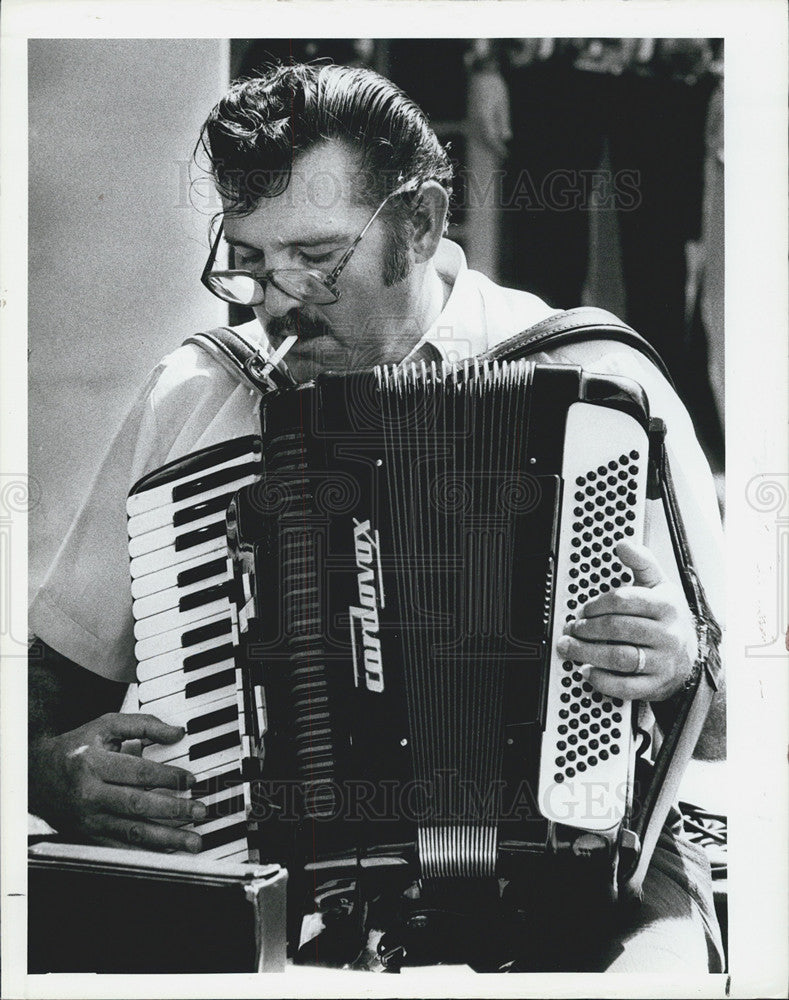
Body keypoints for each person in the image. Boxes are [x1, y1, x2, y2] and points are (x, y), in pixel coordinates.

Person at [28, 62, 724, 972]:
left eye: (316, 258)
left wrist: (678, 666)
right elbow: (46, 691)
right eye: (249, 260)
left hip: (596, 884)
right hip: (272, 886)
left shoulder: (601, 387)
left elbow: (740, 719)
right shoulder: (199, 395)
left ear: (422, 222)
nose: (277, 302)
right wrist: (52, 771)